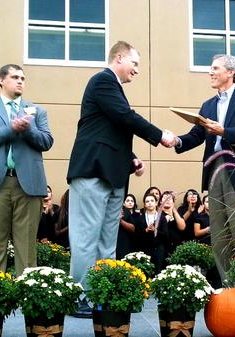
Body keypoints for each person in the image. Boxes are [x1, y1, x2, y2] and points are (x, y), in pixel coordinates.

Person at [66, 41, 175, 318]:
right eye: (134, 63)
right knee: (86, 237)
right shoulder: (102, 81)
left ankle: (102, 294)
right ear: (118, 58)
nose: (137, 71)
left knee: (106, 240)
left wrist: (131, 159)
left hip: (112, 175)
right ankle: (80, 296)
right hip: (92, 172)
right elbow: (124, 117)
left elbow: (111, 130)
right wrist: (159, 134)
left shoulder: (113, 89)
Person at [172, 54, 235, 281]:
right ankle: (229, 287)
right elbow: (196, 136)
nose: (210, 72)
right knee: (220, 234)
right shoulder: (208, 105)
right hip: (215, 172)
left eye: (215, 68)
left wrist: (224, 131)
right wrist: (177, 141)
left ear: (230, 72)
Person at [0, 63, 53, 275]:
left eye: (23, 78)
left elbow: (46, 141)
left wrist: (28, 130)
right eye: (15, 77)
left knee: (26, 248)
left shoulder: (36, 111)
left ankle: (27, 300)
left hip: (27, 185)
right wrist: (10, 128)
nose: (20, 81)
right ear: (1, 80)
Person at [116, 194, 139, 259]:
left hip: (130, 243)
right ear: (123, 203)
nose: (130, 202)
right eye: (128, 200)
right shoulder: (120, 210)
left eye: (132, 201)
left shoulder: (137, 214)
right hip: (118, 243)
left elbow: (133, 228)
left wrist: (120, 220)